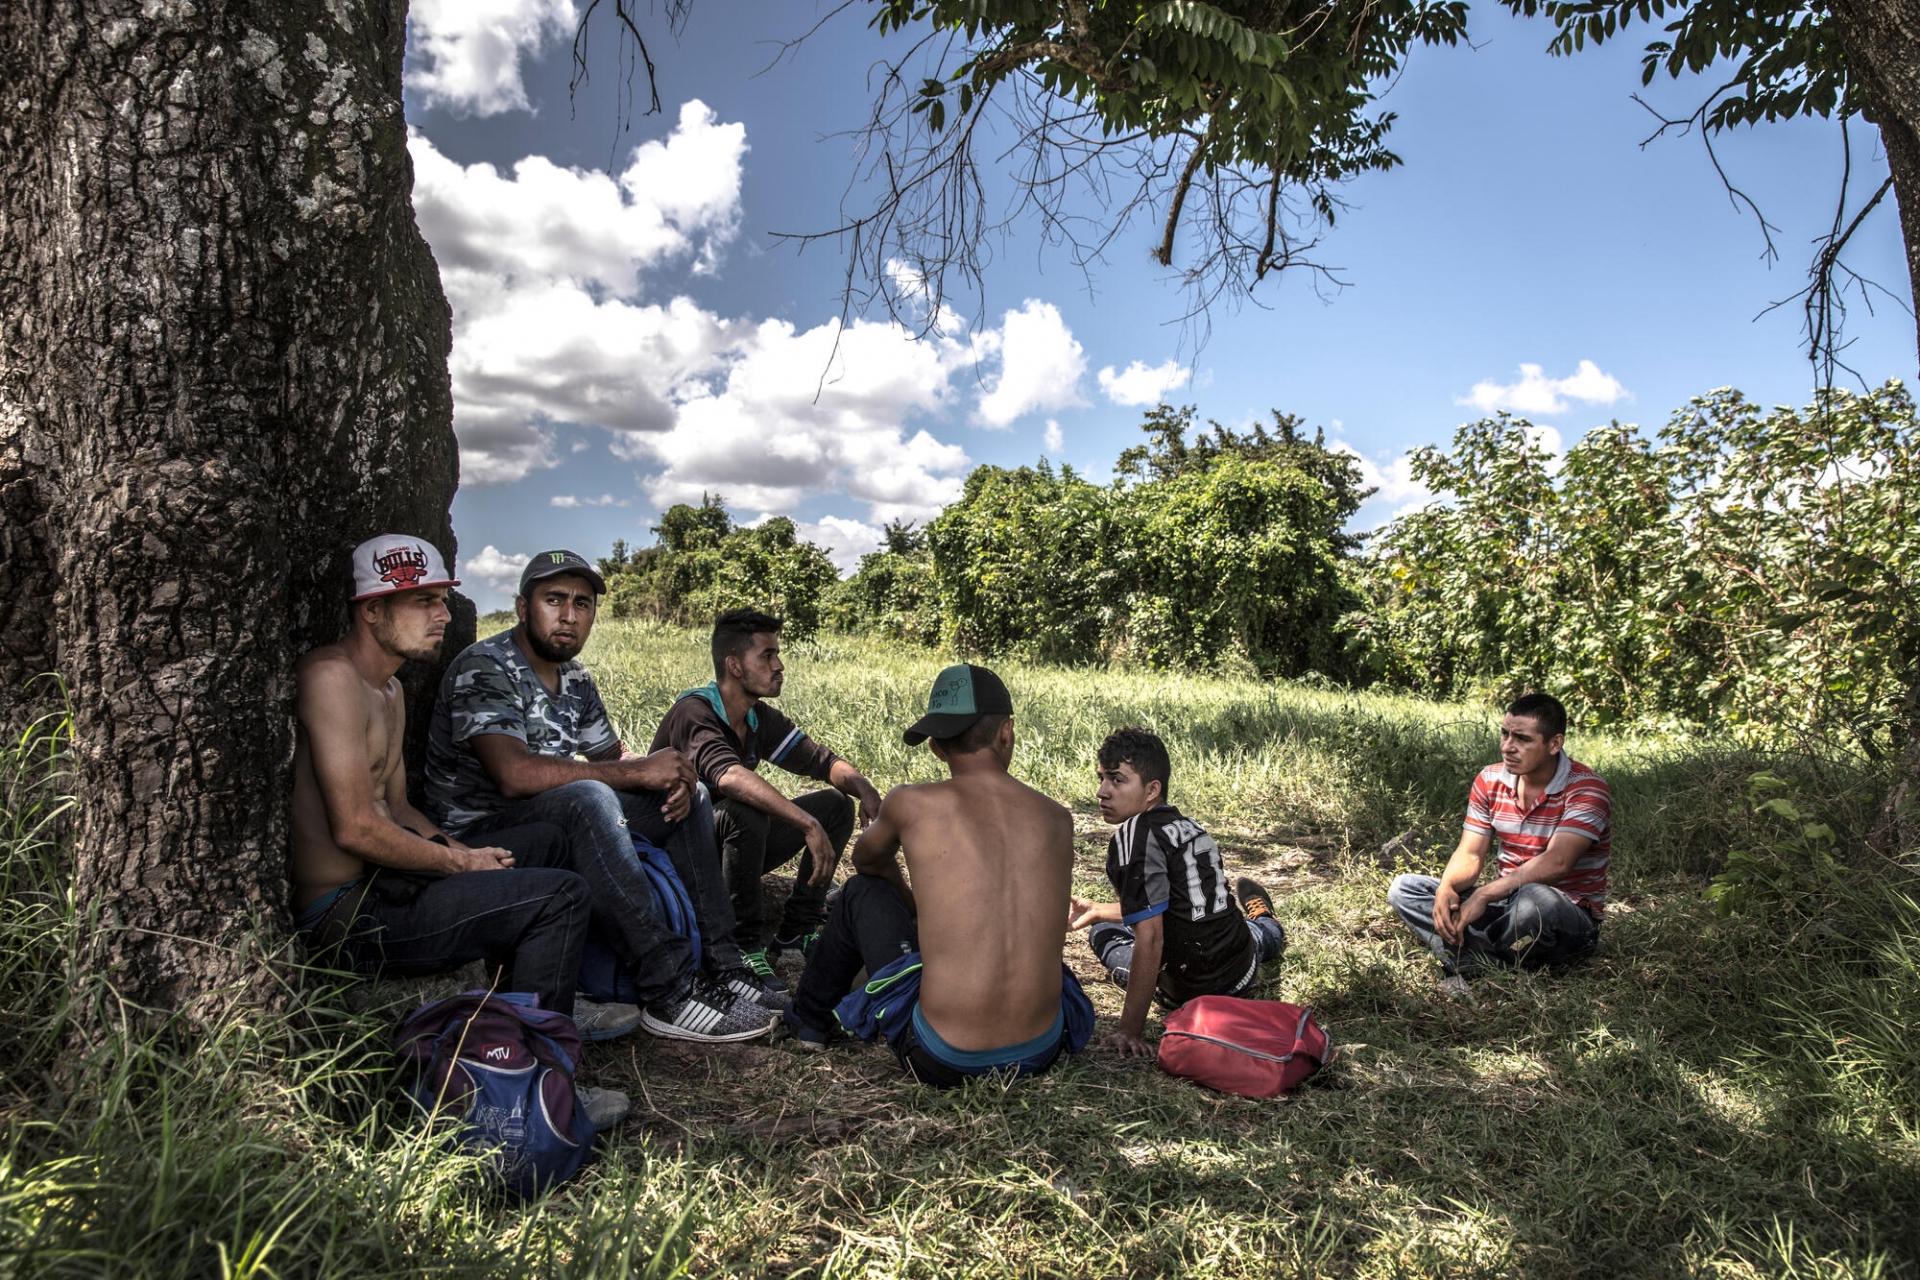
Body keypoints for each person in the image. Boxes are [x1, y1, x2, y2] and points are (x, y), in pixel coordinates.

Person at [291, 534, 634, 1128]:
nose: (443, 616)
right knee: (558, 897)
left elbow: (399, 810)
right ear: (372, 610)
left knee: (547, 842)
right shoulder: (331, 677)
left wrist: (466, 851)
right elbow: (354, 827)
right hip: (349, 911)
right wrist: (458, 865)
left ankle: (531, 1007)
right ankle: (537, 1090)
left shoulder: (390, 688)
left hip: (392, 879)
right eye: (422, 601)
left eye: (442, 600)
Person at [424, 549, 778, 1044]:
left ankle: (723, 965)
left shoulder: (575, 679)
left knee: (692, 795)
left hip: (555, 820)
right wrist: (633, 772)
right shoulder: (487, 666)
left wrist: (664, 778)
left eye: (583, 604)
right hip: (483, 835)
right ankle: (669, 988)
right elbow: (513, 775)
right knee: (590, 795)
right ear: (524, 608)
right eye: (554, 600)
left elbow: (613, 754)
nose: (569, 615)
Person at [783, 664, 1093, 1086]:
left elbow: (867, 862)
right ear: (1007, 732)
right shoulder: (1057, 818)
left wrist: (911, 905)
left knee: (859, 892)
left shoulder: (909, 803)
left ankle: (808, 1020)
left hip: (941, 1058)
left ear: (935, 748)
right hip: (1042, 1050)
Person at [650, 608, 881, 982]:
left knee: (836, 805)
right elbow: (729, 777)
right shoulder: (694, 712)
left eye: (777, 654)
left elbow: (820, 760)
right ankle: (743, 946)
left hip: (724, 849)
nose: (779, 665)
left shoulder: (756, 717)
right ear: (735, 666)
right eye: (767, 655)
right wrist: (805, 824)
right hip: (679, 857)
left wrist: (865, 788)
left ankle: (795, 932)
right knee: (745, 810)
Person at [1068, 728, 1287, 1057]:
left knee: (1105, 936)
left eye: (1117, 780)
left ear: (1152, 789)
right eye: (1101, 778)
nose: (1102, 791)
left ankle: (1262, 922)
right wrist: (1099, 908)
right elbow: (1177, 904)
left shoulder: (1133, 838)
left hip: (1192, 989)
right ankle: (1266, 920)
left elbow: (1151, 938)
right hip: (1241, 966)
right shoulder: (1189, 824)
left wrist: (1129, 1030)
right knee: (1256, 933)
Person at [1386, 692, 1609, 985]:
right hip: (1507, 906)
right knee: (1405, 889)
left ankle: (1465, 954)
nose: (1508, 747)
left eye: (1522, 739)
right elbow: (1471, 853)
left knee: (1537, 899)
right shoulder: (1490, 780)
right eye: (1504, 734)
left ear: (1554, 744)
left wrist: (1484, 894)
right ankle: (1489, 958)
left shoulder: (1587, 789)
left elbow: (1558, 862)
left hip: (1565, 915)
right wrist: (1447, 888)